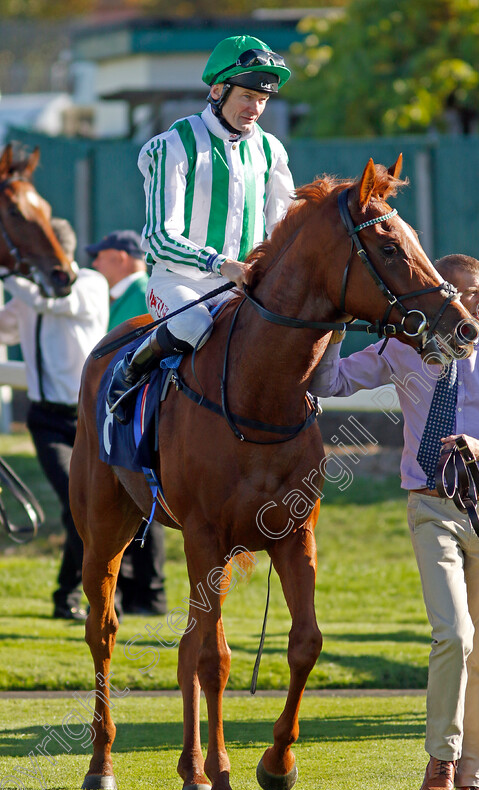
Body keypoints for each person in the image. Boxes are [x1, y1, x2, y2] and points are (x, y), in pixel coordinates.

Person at [310, 253, 479, 790]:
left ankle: (471, 782)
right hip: (432, 507)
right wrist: (336, 327)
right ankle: (440, 761)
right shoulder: (404, 349)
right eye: (470, 292)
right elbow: (331, 381)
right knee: (455, 636)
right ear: (445, 296)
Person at [107, 34, 294, 422]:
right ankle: (130, 371)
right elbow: (159, 238)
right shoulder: (171, 144)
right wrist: (222, 264)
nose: (256, 108)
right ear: (217, 90)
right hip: (179, 283)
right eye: (247, 96)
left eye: (263, 99)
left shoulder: (271, 149)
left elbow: (283, 225)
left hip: (243, 286)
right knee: (194, 324)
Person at [0, 218, 110, 620]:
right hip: (47, 418)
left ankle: (93, 590)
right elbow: (5, 328)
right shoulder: (27, 296)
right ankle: (68, 596)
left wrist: (7, 274)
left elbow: (56, 303)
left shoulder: (91, 285)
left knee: (93, 506)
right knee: (74, 502)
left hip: (90, 417)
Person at [85, 229, 167, 615]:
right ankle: (142, 594)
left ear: (119, 256)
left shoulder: (140, 294)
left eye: (98, 256)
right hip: (135, 405)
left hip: (134, 408)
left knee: (139, 492)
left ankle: (144, 593)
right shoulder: (129, 294)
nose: (93, 263)